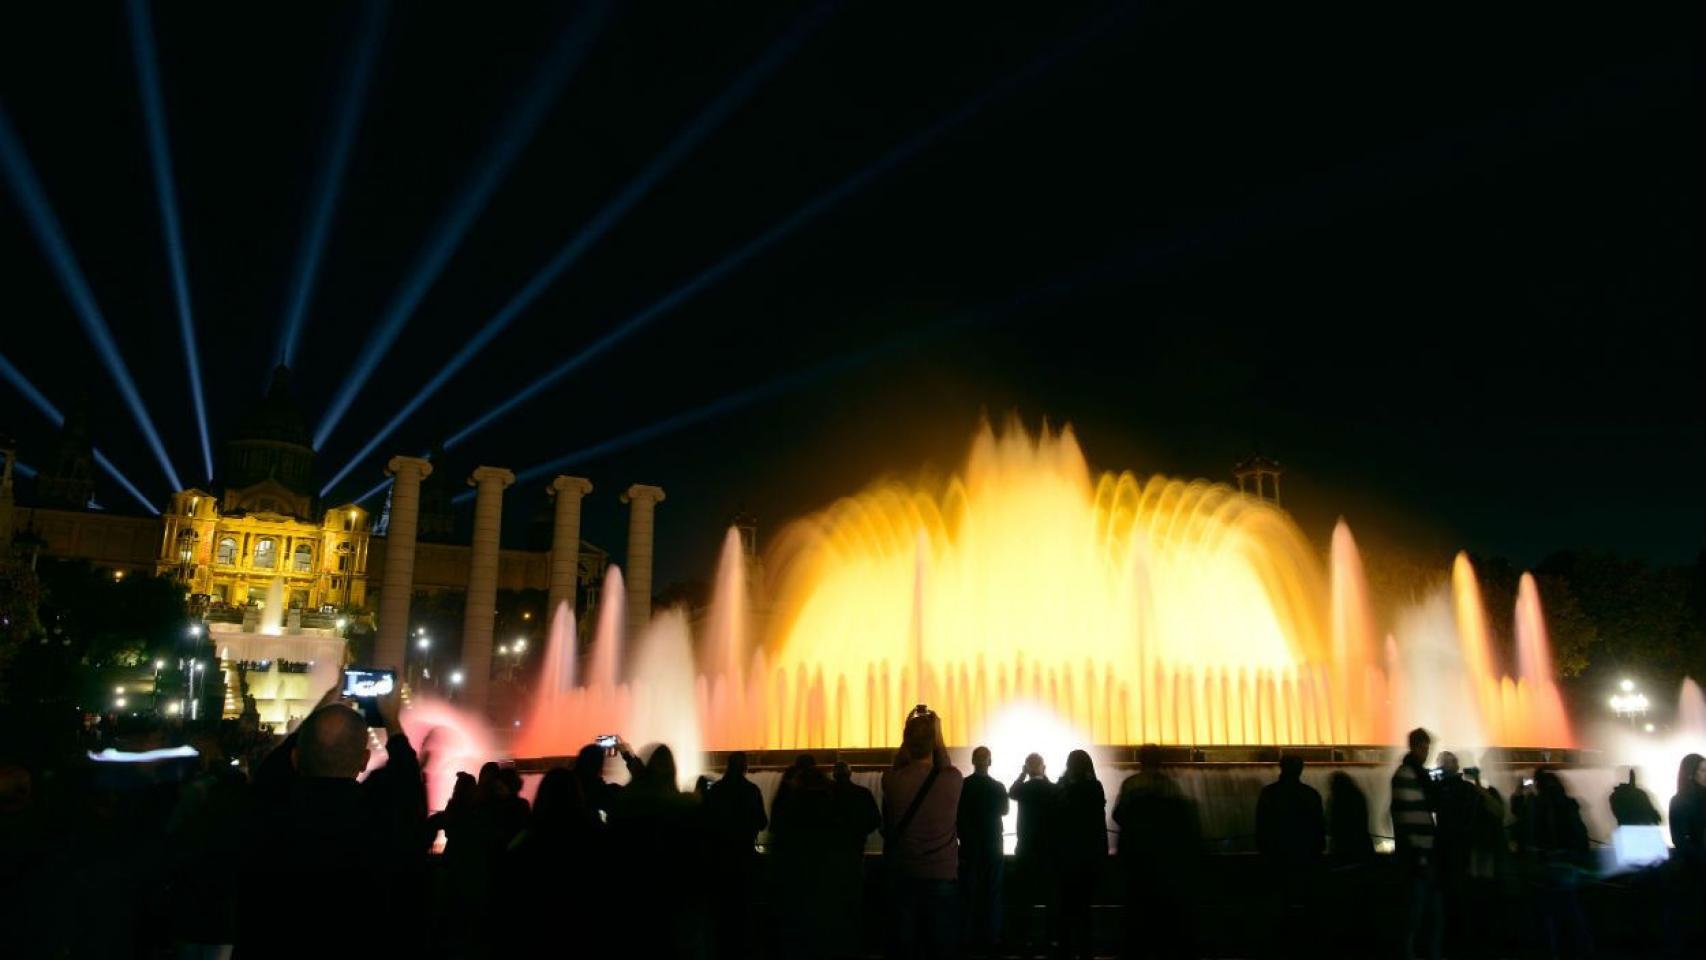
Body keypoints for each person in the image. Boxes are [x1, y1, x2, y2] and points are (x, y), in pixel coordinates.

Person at [239, 690, 427, 955]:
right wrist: (392, 722)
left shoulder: (269, 807)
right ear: (364, 761)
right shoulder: (379, 819)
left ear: (295, 757)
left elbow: (271, 769)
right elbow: (408, 786)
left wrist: (323, 703)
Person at [881, 706, 964, 959]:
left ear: (906, 742)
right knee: (940, 944)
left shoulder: (890, 779)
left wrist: (909, 728)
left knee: (905, 943)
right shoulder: (952, 778)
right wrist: (937, 730)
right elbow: (943, 763)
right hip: (941, 874)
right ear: (934, 743)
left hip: (905, 871)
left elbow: (899, 764)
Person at [1113, 744, 1198, 960]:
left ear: (1140, 760)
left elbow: (1118, 814)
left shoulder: (1131, 784)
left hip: (1136, 853)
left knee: (1136, 903)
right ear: (1159, 761)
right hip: (1162, 854)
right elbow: (1179, 819)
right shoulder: (1169, 786)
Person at [1255, 754, 1323, 957]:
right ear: (1301, 770)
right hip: (1304, 860)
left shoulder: (1268, 794)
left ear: (1281, 768)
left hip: (1277, 860)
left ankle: (1279, 945)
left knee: (1280, 906)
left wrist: (1265, 852)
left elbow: (1261, 828)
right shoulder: (1311, 795)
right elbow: (1318, 830)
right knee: (1303, 907)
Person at [705, 752, 767, 960]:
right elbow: (762, 822)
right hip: (743, 855)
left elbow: (706, 821)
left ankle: (722, 947)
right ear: (745, 768)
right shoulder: (751, 790)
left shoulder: (716, 791)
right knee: (743, 905)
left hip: (719, 857)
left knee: (722, 907)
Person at [1391, 727, 1440, 960]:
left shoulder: (1419, 773)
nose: (1427, 751)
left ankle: (1426, 950)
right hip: (1416, 854)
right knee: (1416, 907)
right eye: (1423, 747)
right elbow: (1407, 816)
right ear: (1414, 746)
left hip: (1426, 851)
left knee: (1428, 908)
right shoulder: (1407, 774)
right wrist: (1419, 853)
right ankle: (1409, 951)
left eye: (1428, 747)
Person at [956, 745, 1010, 957]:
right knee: (993, 893)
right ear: (990, 761)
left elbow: (957, 813)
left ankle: (967, 937)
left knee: (968, 892)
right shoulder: (997, 786)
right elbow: (1005, 810)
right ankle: (992, 937)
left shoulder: (963, 785)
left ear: (972, 761)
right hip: (993, 845)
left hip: (969, 846)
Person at [1052, 749, 1106, 960]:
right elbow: (1098, 823)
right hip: (1088, 857)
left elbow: (1054, 817)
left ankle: (1065, 948)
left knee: (1065, 907)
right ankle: (1085, 949)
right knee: (1084, 908)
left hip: (1066, 857)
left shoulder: (1064, 788)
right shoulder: (1095, 788)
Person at [1009, 751, 1058, 956]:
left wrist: (1022, 775)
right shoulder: (1052, 789)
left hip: (1026, 848)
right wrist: (1044, 775)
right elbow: (1056, 791)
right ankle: (1052, 938)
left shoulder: (1024, 789)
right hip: (1048, 850)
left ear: (1027, 768)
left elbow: (1012, 792)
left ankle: (1024, 938)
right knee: (1051, 897)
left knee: (1024, 897)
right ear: (1043, 767)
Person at [1665, 754, 1705, 956]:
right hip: (1695, 869)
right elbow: (1679, 839)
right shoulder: (1680, 801)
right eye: (1703, 770)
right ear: (1691, 774)